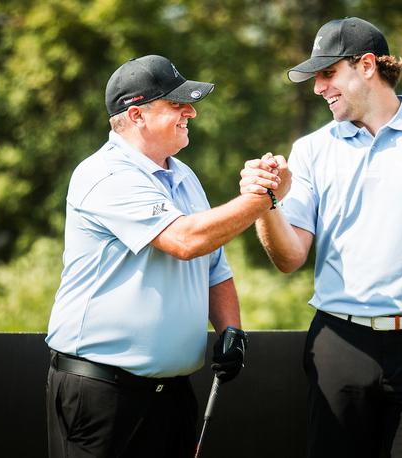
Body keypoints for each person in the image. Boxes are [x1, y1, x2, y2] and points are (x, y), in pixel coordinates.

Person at [240, 17, 402, 458]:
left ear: (366, 66)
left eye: (327, 74)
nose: (319, 88)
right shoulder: (311, 149)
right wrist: (264, 204)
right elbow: (289, 258)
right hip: (338, 344)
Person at [45, 55, 287, 458]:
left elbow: (213, 265)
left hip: (171, 395)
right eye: (176, 104)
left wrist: (231, 330)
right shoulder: (104, 174)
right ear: (137, 115)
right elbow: (185, 240)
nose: (190, 111)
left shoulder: (184, 175)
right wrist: (264, 198)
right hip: (102, 393)